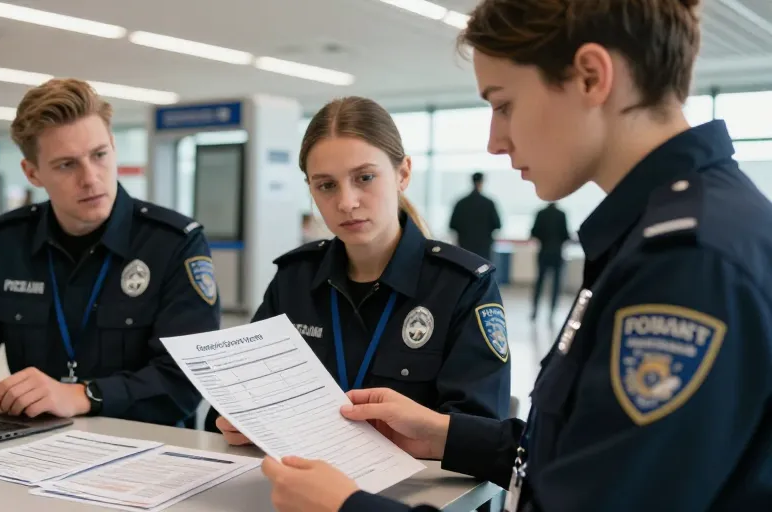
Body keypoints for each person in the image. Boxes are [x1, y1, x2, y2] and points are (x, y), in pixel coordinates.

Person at [259, 0, 772, 511]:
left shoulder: (688, 261)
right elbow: (585, 454)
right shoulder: (674, 229)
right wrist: (446, 435)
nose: (494, 141)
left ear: (592, 77)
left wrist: (347, 508)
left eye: (503, 104)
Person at [205, 96, 512, 443]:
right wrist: (233, 421)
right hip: (300, 480)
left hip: (414, 491)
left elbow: (480, 436)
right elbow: (233, 401)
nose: (346, 202)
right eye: (326, 185)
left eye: (364, 177)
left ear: (403, 173)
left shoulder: (460, 286)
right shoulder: (295, 279)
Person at [0, 78, 221, 426]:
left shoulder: (173, 243)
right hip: (34, 440)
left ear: (113, 147)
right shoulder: (5, 243)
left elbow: (184, 380)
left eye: (99, 155)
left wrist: (83, 395)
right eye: (66, 165)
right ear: (32, 173)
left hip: (146, 447)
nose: (90, 178)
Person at [529, 202, 570, 322]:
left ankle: (535, 311)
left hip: (544, 252)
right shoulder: (561, 215)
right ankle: (552, 312)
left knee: (539, 282)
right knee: (556, 284)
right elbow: (565, 234)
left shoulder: (541, 214)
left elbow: (534, 232)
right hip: (557, 253)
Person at [448, 172, 501, 260]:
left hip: (465, 247)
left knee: (465, 271)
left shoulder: (461, 203)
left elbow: (452, 225)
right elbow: (497, 225)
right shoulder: (488, 203)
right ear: (482, 182)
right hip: (484, 248)